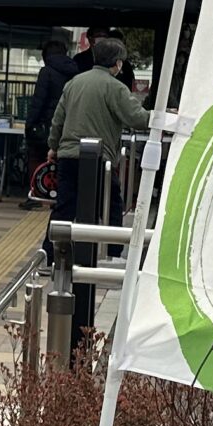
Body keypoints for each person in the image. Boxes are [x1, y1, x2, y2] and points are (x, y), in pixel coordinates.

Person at [48, 37, 149, 331]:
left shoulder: (74, 83)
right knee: (111, 203)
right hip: (99, 159)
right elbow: (137, 118)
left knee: (65, 205)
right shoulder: (115, 87)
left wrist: (53, 146)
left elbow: (58, 118)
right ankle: (113, 254)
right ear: (117, 63)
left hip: (68, 154)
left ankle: (53, 253)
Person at [23, 30, 87, 199]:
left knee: (37, 158)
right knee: (61, 163)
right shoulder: (76, 73)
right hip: (69, 126)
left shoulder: (47, 72)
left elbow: (38, 102)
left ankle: (37, 193)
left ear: (46, 55)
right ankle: (59, 194)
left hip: (46, 125)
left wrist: (29, 125)